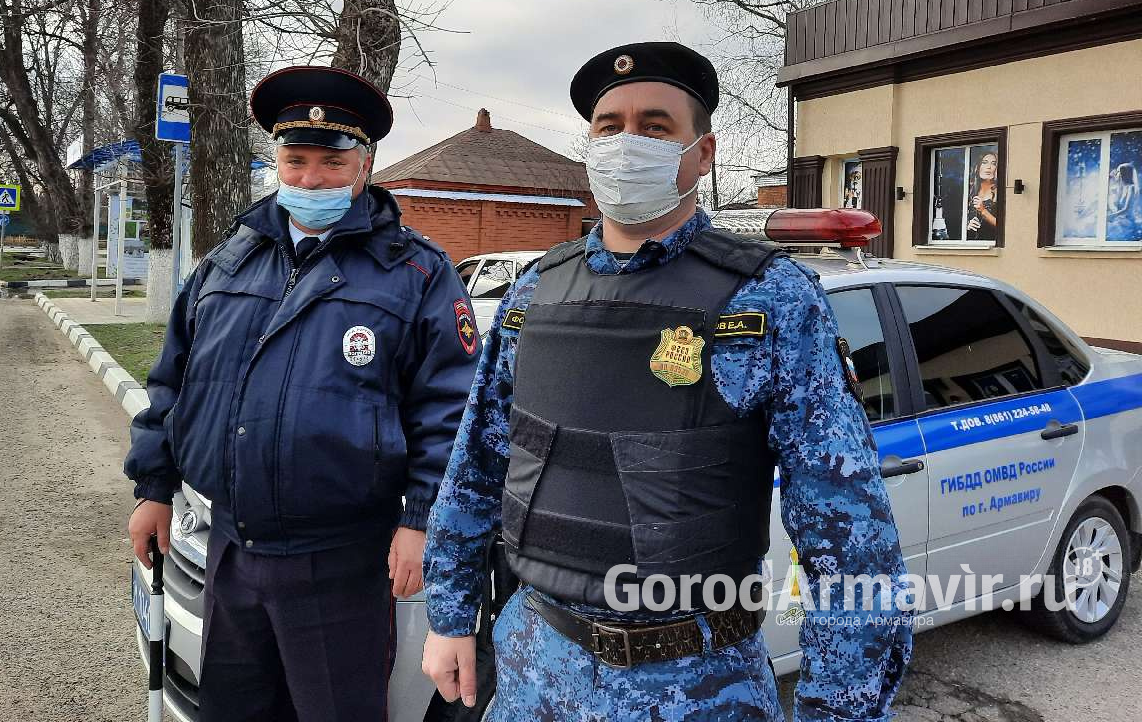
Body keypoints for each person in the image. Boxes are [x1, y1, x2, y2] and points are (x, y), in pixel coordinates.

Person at [420, 42, 912, 721]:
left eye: (654, 128)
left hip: (699, 689)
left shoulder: (771, 299)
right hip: (536, 675)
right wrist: (449, 617)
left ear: (702, 153)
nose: (628, 144)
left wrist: (841, 710)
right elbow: (476, 466)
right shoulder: (531, 295)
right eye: (609, 126)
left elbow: (848, 536)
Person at [124, 66, 480, 722]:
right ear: (277, 165)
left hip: (339, 560)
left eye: (331, 162)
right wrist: (153, 489)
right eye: (295, 161)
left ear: (365, 166)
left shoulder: (416, 274)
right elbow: (173, 380)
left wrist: (421, 519)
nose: (310, 179)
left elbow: (452, 414)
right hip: (231, 548)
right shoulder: (229, 261)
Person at [966, 151, 1000, 241]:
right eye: (984, 163)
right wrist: (967, 225)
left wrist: (983, 210)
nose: (988, 167)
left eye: (993, 164)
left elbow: (1004, 227)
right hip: (970, 244)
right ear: (978, 167)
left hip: (990, 243)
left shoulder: (999, 191)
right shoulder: (970, 189)